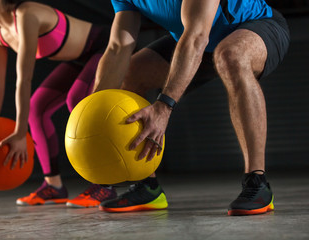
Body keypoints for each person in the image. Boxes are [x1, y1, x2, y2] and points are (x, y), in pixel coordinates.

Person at [93, 0, 290, 215]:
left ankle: (257, 182)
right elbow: (118, 47)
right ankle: (147, 186)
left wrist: (164, 106)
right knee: (133, 72)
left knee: (231, 55)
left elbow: (197, 37)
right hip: (197, 39)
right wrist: (93, 111)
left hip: (255, 26)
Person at [0, 0, 117, 207]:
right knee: (36, 109)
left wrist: (20, 133)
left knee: (77, 100)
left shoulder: (27, 15)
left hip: (106, 47)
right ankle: (54, 186)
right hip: (79, 59)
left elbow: (24, 79)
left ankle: (104, 186)